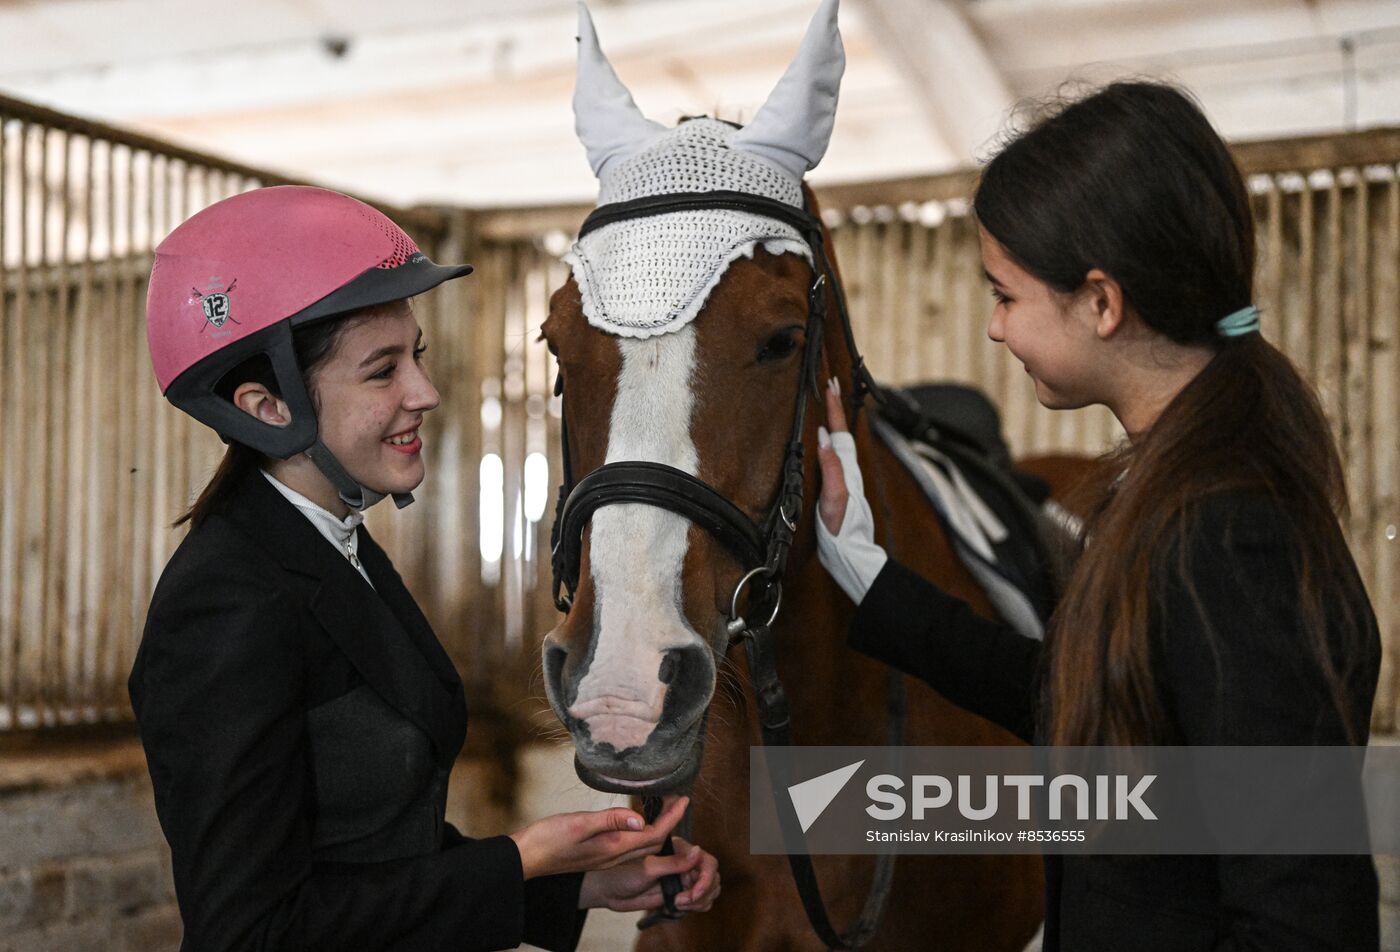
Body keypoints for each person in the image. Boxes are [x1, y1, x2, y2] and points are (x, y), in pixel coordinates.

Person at [813, 82, 1382, 951]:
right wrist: (869, 573)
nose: (995, 328)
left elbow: (1304, 919)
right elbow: (1092, 709)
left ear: (1102, 302)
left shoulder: (1230, 534)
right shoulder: (1177, 484)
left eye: (1005, 295)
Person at [129, 185, 719, 952]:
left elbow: (371, 844)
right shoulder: (225, 603)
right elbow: (252, 931)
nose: (426, 393)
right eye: (383, 372)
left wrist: (570, 887)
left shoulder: (334, 549)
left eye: (419, 356)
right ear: (268, 407)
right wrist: (517, 859)